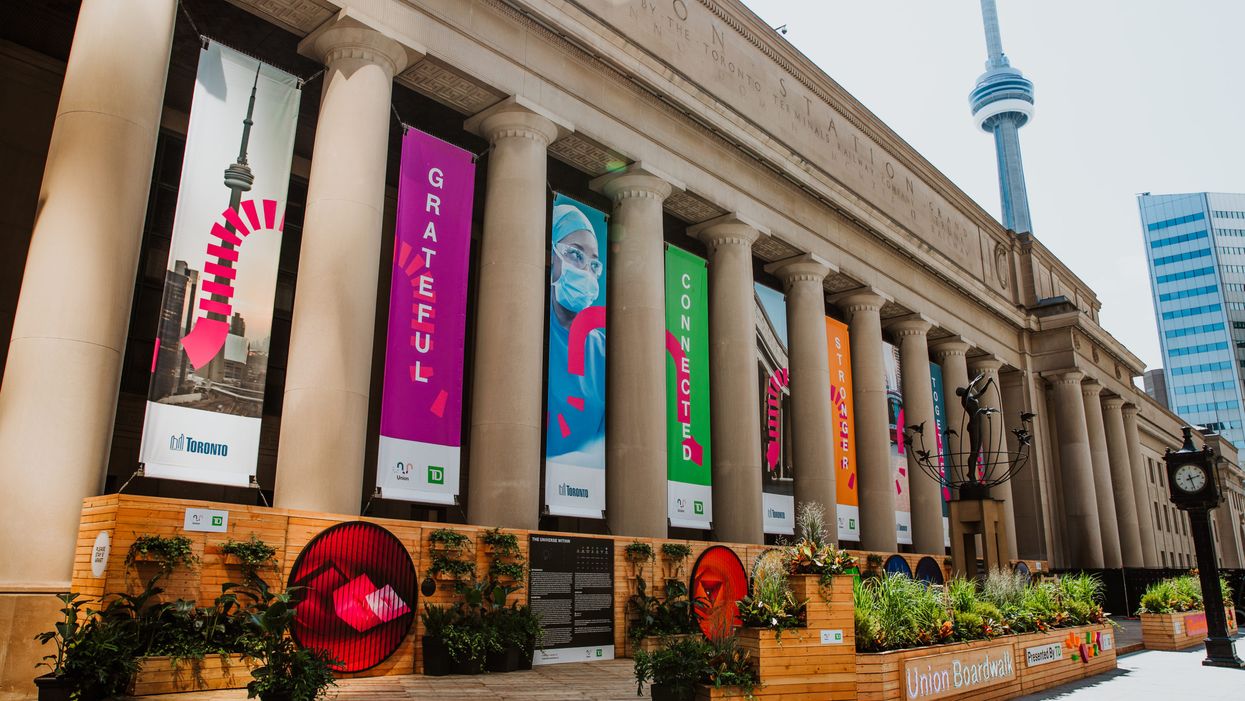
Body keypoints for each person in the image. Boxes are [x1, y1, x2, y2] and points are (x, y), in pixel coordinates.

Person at [545, 204, 606, 463]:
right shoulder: (527, 328)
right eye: (575, 255)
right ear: (551, 256)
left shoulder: (602, 351)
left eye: (594, 264)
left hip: (585, 486)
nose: (585, 271)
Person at [956, 372, 995, 480]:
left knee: (977, 451)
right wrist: (979, 378)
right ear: (961, 393)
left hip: (978, 424)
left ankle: (972, 472)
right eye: (961, 389)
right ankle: (970, 473)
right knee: (974, 451)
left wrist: (988, 382)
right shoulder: (965, 399)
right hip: (973, 424)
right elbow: (970, 386)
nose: (963, 390)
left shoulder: (972, 399)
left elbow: (981, 392)